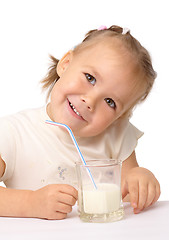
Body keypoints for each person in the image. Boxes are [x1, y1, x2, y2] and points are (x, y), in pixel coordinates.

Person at [0, 25, 160, 220]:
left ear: (119, 118)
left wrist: (140, 179)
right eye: (90, 78)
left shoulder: (116, 135)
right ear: (66, 64)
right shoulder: (15, 133)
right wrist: (30, 203)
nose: (90, 101)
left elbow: (128, 193)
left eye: (110, 102)